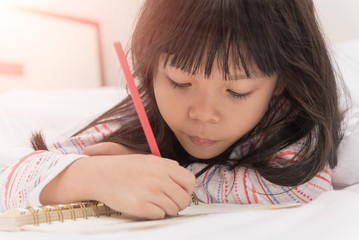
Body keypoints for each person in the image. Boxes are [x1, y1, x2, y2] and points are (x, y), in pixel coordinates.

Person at [0, 0, 344, 219]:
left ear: (281, 80)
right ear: (150, 69)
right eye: (180, 82)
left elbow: (303, 184)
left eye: (237, 91)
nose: (203, 113)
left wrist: (164, 176)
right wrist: (89, 176)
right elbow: (10, 173)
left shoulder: (291, 120)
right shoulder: (141, 120)